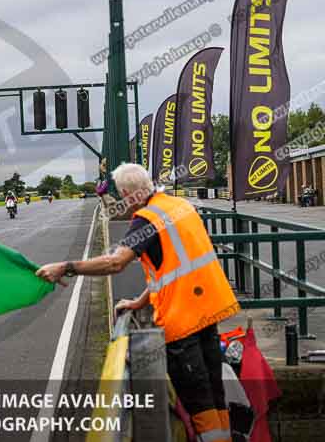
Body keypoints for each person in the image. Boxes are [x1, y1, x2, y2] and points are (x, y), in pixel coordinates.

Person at [36, 163, 238, 442]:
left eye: (120, 194)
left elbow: (115, 262)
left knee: (198, 400)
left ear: (129, 193)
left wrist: (67, 266)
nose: (120, 200)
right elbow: (174, 269)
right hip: (208, 312)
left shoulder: (146, 219)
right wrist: (139, 301)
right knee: (215, 393)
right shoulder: (179, 206)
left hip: (183, 320)